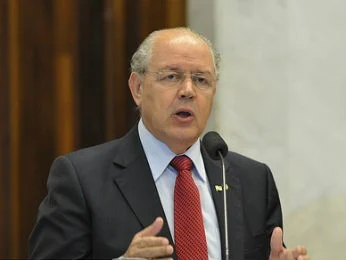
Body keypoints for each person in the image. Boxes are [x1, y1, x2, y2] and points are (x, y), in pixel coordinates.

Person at [29, 27, 310, 260]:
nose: (187, 91)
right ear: (137, 88)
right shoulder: (82, 179)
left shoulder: (251, 180)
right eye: (171, 77)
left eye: (201, 80)